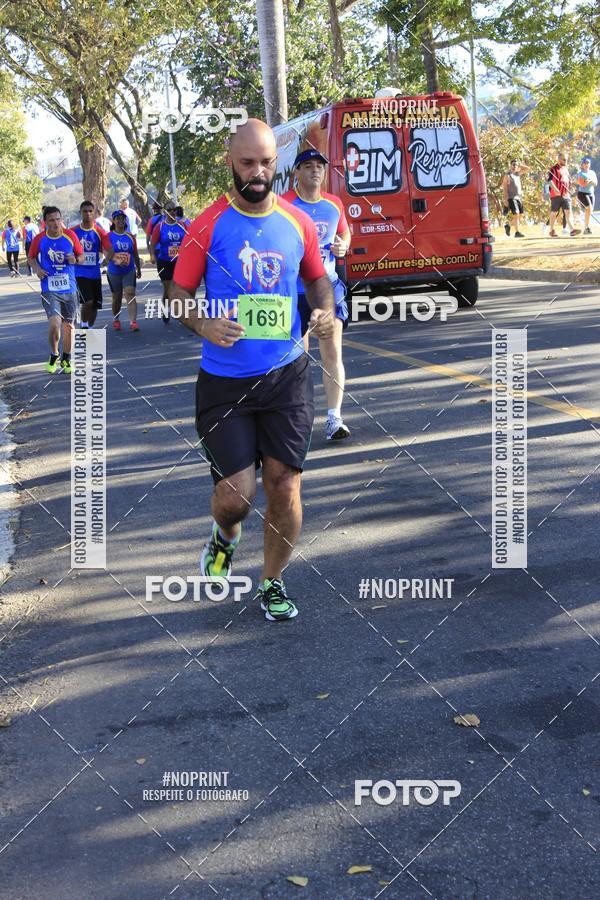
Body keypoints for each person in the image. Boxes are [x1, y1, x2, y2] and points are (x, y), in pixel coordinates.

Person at [171, 118, 334, 622]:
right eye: (248, 163)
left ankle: (273, 582)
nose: (258, 172)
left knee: (285, 485)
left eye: (266, 162)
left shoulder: (297, 223)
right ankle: (224, 536)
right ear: (230, 163)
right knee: (236, 496)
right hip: (225, 382)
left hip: (285, 377)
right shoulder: (209, 223)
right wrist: (203, 324)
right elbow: (176, 295)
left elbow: (317, 281)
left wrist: (324, 311)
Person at [282, 149, 352, 440]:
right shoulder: (283, 204)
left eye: (319, 166)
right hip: (290, 290)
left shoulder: (333, 204)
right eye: (307, 166)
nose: (315, 171)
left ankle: (334, 418)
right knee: (295, 357)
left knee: (332, 350)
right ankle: (294, 418)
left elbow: (345, 233)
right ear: (295, 172)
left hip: (327, 286)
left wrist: (343, 246)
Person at [27, 206, 84, 373]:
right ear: (45, 222)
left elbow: (81, 256)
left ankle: (66, 358)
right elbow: (30, 257)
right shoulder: (40, 239)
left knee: (70, 326)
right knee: (55, 324)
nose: (56, 223)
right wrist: (37, 269)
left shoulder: (70, 236)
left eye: (58, 219)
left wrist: (75, 259)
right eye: (51, 220)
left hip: (70, 288)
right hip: (49, 287)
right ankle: (54, 353)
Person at [149, 203, 190, 323]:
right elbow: (153, 243)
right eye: (169, 210)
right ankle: (166, 310)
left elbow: (190, 240)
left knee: (180, 289)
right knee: (168, 290)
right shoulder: (160, 227)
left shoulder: (182, 225)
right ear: (164, 212)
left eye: (174, 210)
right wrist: (152, 255)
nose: (172, 212)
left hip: (180, 262)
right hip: (165, 262)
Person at [73, 200, 109, 328]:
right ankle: (83, 325)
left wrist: (107, 259)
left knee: (95, 306)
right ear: (80, 213)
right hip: (80, 273)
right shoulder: (73, 232)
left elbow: (109, 249)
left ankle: (90, 329)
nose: (87, 214)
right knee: (88, 302)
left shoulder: (100, 232)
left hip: (95, 274)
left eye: (90, 211)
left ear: (94, 213)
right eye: (85, 211)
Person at [105, 209, 142, 331]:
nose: (120, 220)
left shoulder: (130, 236)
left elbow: (135, 254)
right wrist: (116, 260)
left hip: (129, 270)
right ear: (113, 221)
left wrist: (138, 269)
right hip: (114, 271)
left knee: (130, 293)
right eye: (117, 218)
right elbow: (106, 254)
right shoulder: (108, 237)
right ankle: (116, 319)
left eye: (122, 218)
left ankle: (133, 322)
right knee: (117, 296)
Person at [547, 152, 581, 237]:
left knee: (568, 212)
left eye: (566, 159)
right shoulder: (553, 169)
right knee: (554, 213)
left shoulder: (565, 169)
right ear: (558, 159)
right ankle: (551, 230)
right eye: (564, 159)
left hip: (566, 195)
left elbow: (568, 181)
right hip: (556, 195)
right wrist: (555, 189)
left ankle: (572, 229)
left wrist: (571, 188)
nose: (566, 161)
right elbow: (550, 181)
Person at [502, 159, 530, 237]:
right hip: (511, 198)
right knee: (516, 214)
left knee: (520, 214)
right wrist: (505, 200)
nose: (514, 166)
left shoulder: (517, 174)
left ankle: (508, 225)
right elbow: (504, 188)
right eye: (513, 164)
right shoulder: (507, 175)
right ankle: (517, 232)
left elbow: (528, 169)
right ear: (510, 165)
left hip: (518, 197)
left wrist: (519, 165)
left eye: (515, 165)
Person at [576, 157, 597, 234]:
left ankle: (586, 228)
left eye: (588, 163)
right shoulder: (580, 173)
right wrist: (587, 182)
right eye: (585, 163)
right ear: (582, 164)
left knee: (589, 211)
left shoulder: (592, 172)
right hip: (582, 194)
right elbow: (582, 184)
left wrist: (590, 181)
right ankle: (587, 227)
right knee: (589, 208)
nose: (586, 165)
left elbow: (595, 183)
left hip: (591, 193)